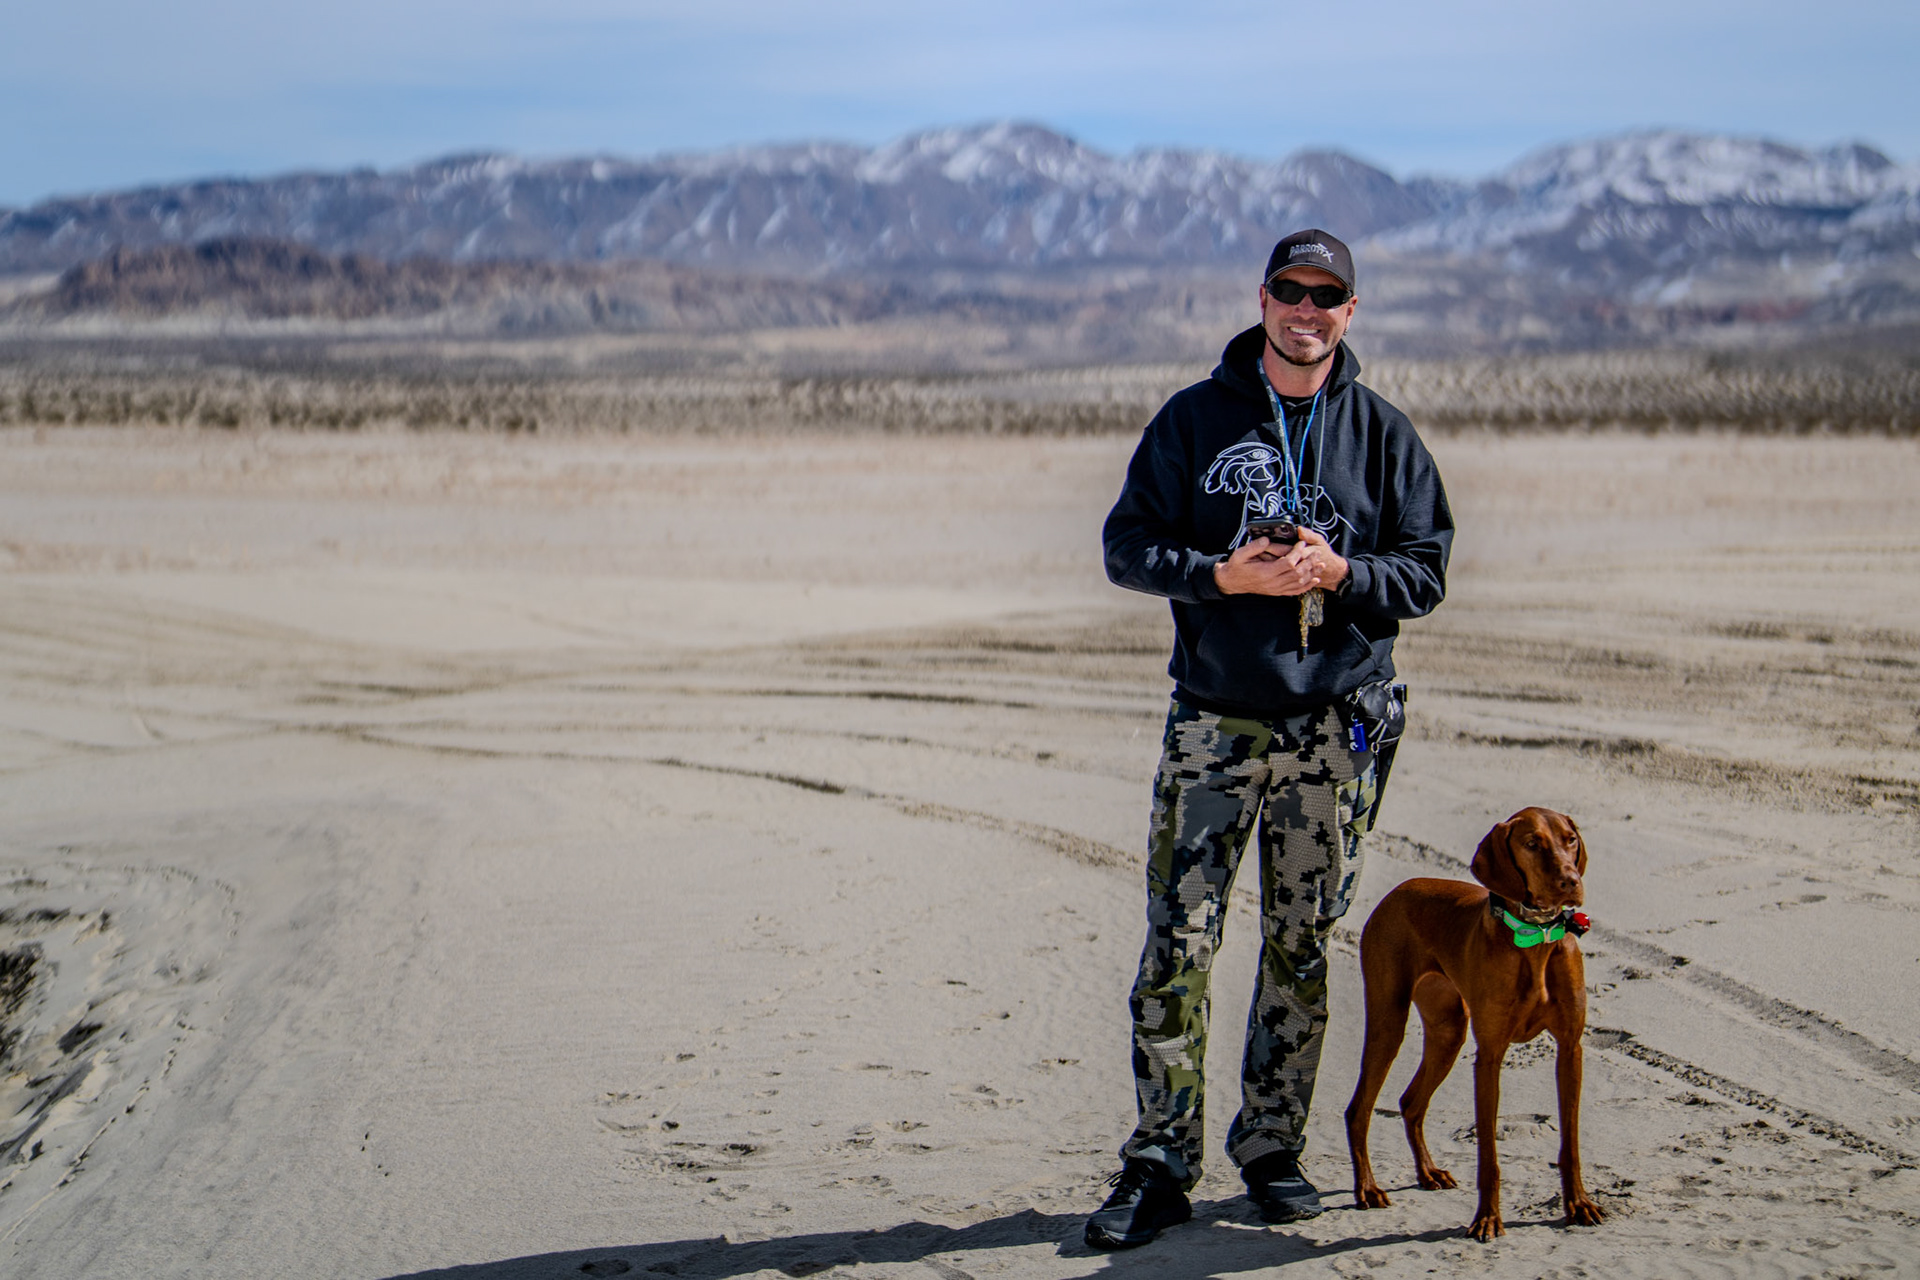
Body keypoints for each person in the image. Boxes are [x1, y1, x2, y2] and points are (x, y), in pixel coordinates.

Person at [1086, 228, 1453, 1249]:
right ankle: (1160, 1161)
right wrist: (1220, 575)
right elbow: (1126, 546)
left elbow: (1426, 569)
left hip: (1333, 730)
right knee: (1180, 941)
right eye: (1290, 289)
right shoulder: (1194, 419)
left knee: (1301, 944)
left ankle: (1272, 1149)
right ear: (1262, 299)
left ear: (1349, 311)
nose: (1306, 309)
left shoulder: (1381, 433)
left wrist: (1343, 574)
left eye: (1326, 294)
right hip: (1216, 721)